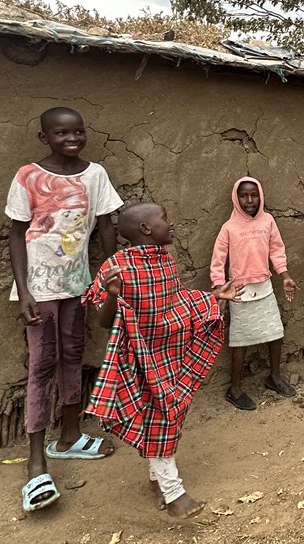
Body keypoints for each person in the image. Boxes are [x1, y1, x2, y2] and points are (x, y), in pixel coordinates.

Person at [85, 203, 242, 518]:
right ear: (145, 229)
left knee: (166, 420)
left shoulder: (165, 262)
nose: (171, 224)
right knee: (163, 420)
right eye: (165, 219)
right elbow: (103, 321)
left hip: (168, 355)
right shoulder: (117, 267)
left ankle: (157, 480)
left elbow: (176, 300)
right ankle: (174, 494)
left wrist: (214, 298)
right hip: (138, 359)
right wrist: (114, 295)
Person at [6, 106, 123, 513]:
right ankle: (36, 462)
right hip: (38, 288)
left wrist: (113, 273)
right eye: (61, 133)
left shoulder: (96, 175)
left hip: (77, 285)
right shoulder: (28, 175)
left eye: (77, 132)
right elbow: (17, 235)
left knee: (73, 355)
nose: (71, 139)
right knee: (42, 364)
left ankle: (69, 437)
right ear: (45, 138)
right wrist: (23, 293)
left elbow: (106, 225)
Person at [210, 177, 298, 411]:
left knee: (275, 334)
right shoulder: (229, 227)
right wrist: (219, 287)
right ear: (236, 199)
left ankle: (274, 377)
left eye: (253, 195)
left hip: (265, 288)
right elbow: (218, 260)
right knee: (240, 342)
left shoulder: (268, 221)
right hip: (239, 292)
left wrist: (285, 275)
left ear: (260, 196)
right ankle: (235, 388)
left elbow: (277, 250)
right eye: (244, 196)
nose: (249, 200)